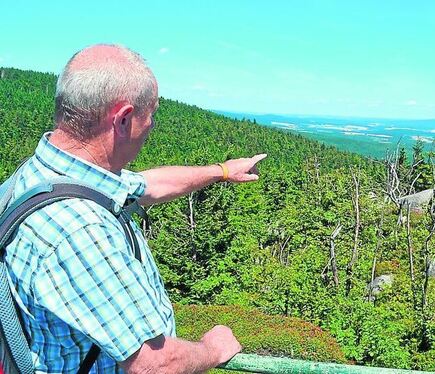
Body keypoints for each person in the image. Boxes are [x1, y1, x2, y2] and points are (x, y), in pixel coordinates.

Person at [3, 44, 265, 373]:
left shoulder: (45, 175)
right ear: (124, 119)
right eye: (151, 114)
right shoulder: (82, 230)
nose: (152, 125)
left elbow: (147, 185)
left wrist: (222, 171)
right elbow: (152, 364)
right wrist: (211, 349)